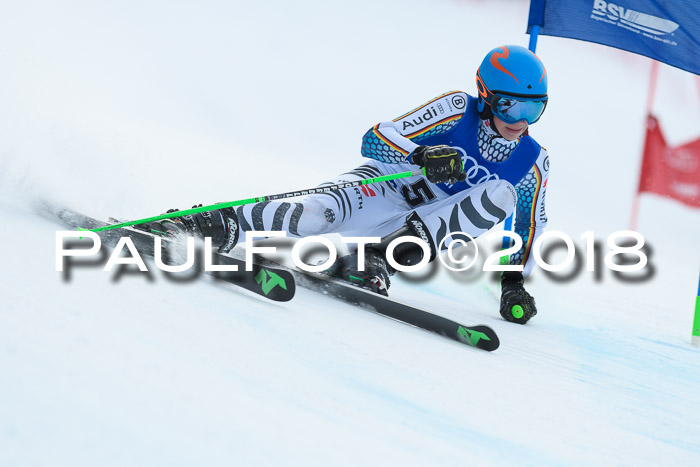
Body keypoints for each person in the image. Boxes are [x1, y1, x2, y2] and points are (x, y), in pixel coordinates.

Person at [147, 45, 550, 325]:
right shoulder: (456, 109)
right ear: (485, 95)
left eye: (535, 107)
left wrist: (513, 283)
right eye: (510, 105)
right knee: (312, 214)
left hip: (413, 227)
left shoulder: (534, 162)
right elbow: (375, 137)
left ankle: (374, 259)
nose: (521, 120)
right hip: (381, 188)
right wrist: (420, 156)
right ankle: (206, 224)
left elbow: (528, 228)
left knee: (501, 195)